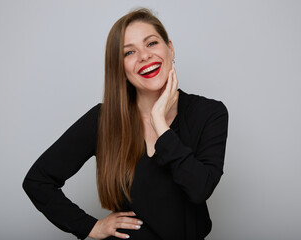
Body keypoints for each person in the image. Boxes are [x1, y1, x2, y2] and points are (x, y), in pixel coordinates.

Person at [23, 8, 228, 240]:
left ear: (170, 48)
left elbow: (199, 189)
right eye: (129, 52)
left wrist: (159, 123)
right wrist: (91, 227)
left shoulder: (209, 113)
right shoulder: (105, 119)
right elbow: (37, 181)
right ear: (120, 68)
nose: (144, 56)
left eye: (151, 44)